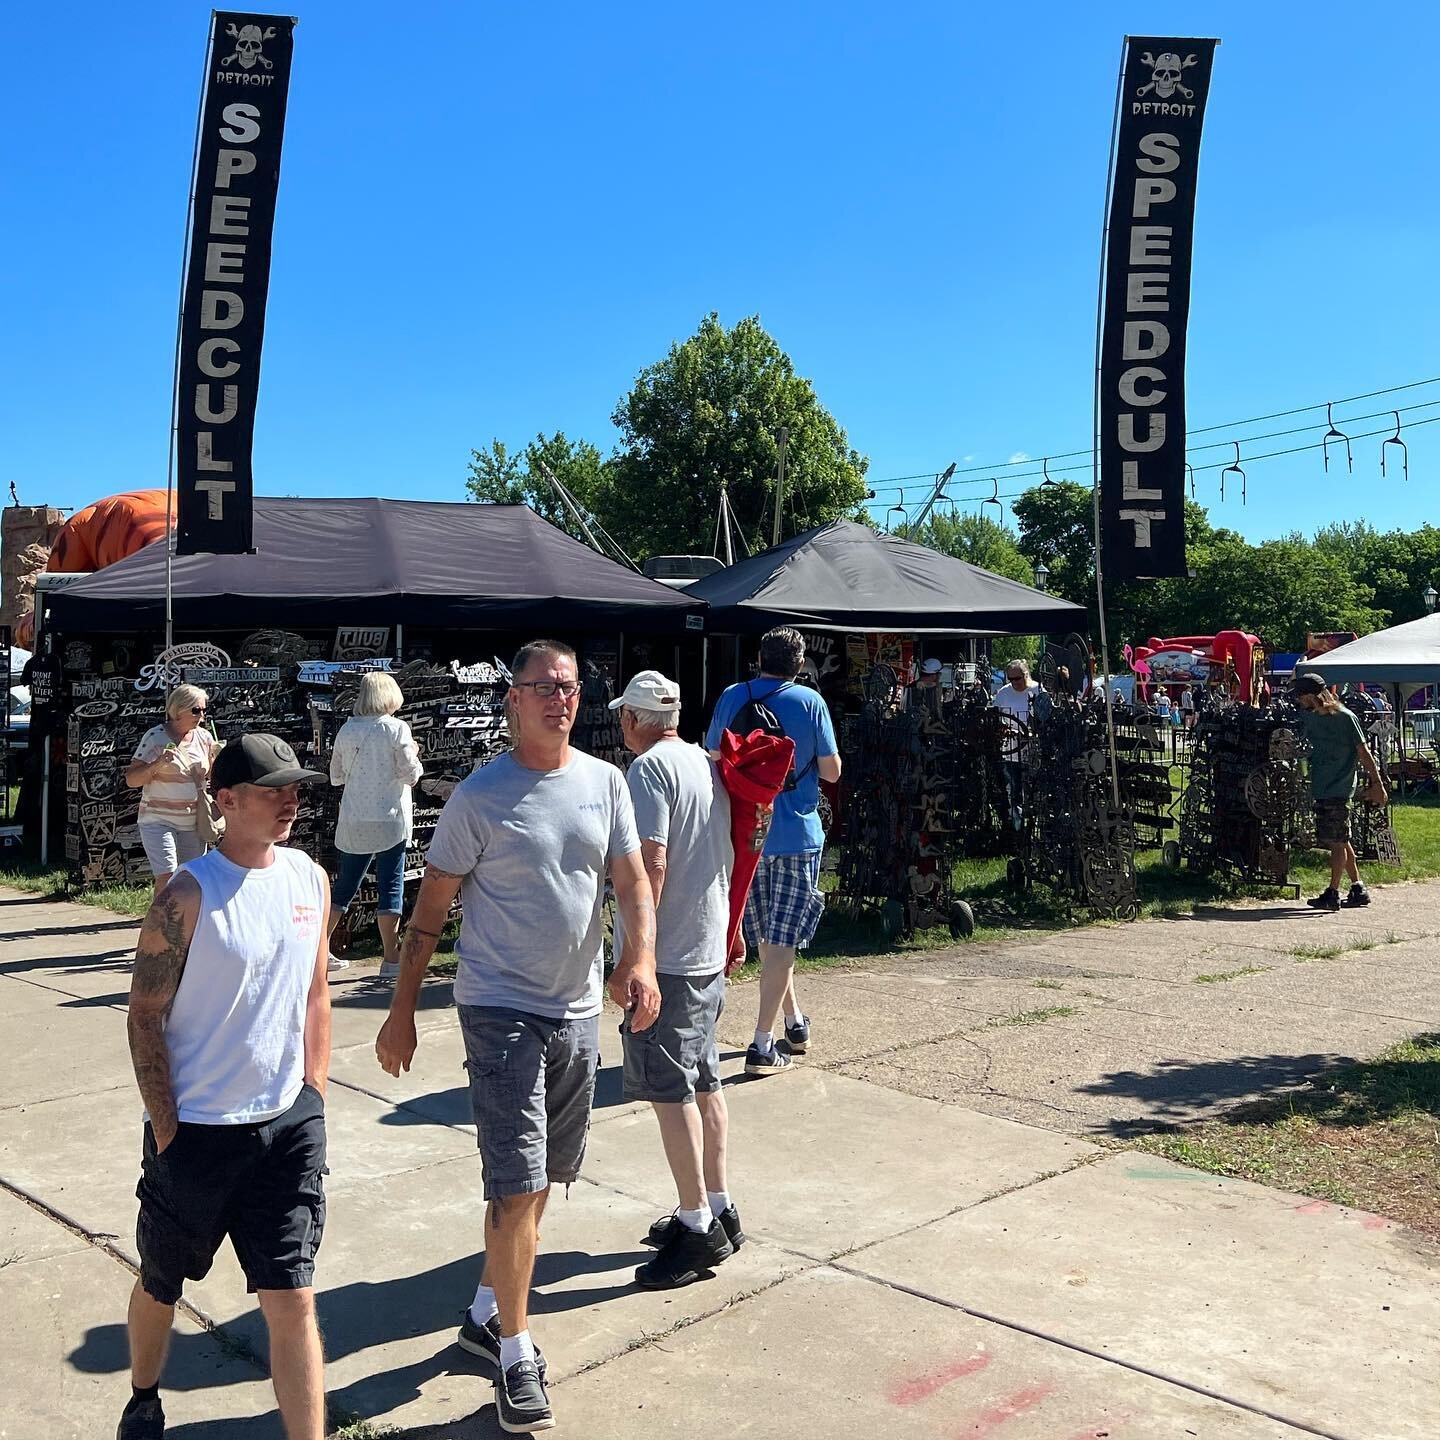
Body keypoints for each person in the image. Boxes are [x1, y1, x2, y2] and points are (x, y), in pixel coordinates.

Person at [375, 640, 658, 1435]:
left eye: (568, 687)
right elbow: (429, 912)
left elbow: (632, 880)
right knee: (515, 1178)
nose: (558, 699)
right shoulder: (481, 796)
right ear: (513, 699)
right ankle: (515, 1351)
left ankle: (482, 1312)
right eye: (541, 687)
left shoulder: (605, 784)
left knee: (542, 1179)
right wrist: (401, 1010)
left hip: (574, 1009)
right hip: (499, 1009)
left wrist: (642, 956)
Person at [118, 734, 331, 1440]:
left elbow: (315, 993)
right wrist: (168, 1128)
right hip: (198, 1134)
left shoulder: (308, 877)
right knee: (161, 1281)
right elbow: (145, 1015)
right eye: (273, 790)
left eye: (295, 787)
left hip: (286, 1130)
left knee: (293, 1297)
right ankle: (144, 1395)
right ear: (227, 800)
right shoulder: (187, 894)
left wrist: (315, 1094)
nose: (290, 801)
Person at [609, 671, 741, 1289]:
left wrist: (639, 955)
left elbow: (651, 862)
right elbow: (728, 849)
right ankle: (718, 1206)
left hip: (673, 958)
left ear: (634, 720)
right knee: (705, 1080)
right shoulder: (702, 761)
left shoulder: (648, 771)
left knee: (671, 1091)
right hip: (706, 946)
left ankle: (695, 1229)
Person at [705, 626, 841, 1076]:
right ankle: (763, 1044)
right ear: (800, 664)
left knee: (768, 937)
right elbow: (833, 772)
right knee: (781, 941)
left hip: (745, 834)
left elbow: (712, 757)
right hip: (795, 835)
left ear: (758, 658)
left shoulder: (732, 696)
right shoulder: (810, 703)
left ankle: (794, 1023)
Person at [327, 671, 424, 978]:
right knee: (390, 887)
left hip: (355, 817)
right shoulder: (397, 729)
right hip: (390, 818)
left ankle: (319, 949)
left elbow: (336, 777)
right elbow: (411, 774)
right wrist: (416, 756)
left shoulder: (347, 729)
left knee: (345, 887)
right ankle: (391, 958)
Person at [1293, 672, 1389, 912]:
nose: (1298, 701)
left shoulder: (1346, 717)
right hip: (1322, 786)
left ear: (1312, 696)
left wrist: (1377, 783)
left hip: (1340, 786)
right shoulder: (1312, 718)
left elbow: (1363, 752)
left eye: (1300, 696)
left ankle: (1333, 893)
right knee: (1340, 839)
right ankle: (1358, 888)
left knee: (1336, 842)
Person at [125, 684, 221, 894]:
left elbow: (212, 778)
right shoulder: (155, 737)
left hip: (193, 820)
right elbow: (131, 779)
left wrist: (217, 760)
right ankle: (161, 923)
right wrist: (158, 763)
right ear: (179, 709)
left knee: (191, 876)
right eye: (196, 710)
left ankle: (185, 921)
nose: (201, 715)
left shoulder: (204, 737)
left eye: (204, 710)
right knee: (167, 876)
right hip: (158, 819)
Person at [992, 659, 1039, 832]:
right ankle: (1016, 830)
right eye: (1010, 679)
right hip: (1009, 752)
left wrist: (1029, 735)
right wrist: (1003, 729)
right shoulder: (1003, 693)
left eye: (1017, 678)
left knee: (1033, 792)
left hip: (1033, 752)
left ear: (1026, 674)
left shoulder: (1037, 690)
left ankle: (1033, 828)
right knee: (1014, 791)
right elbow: (994, 719)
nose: (1014, 683)